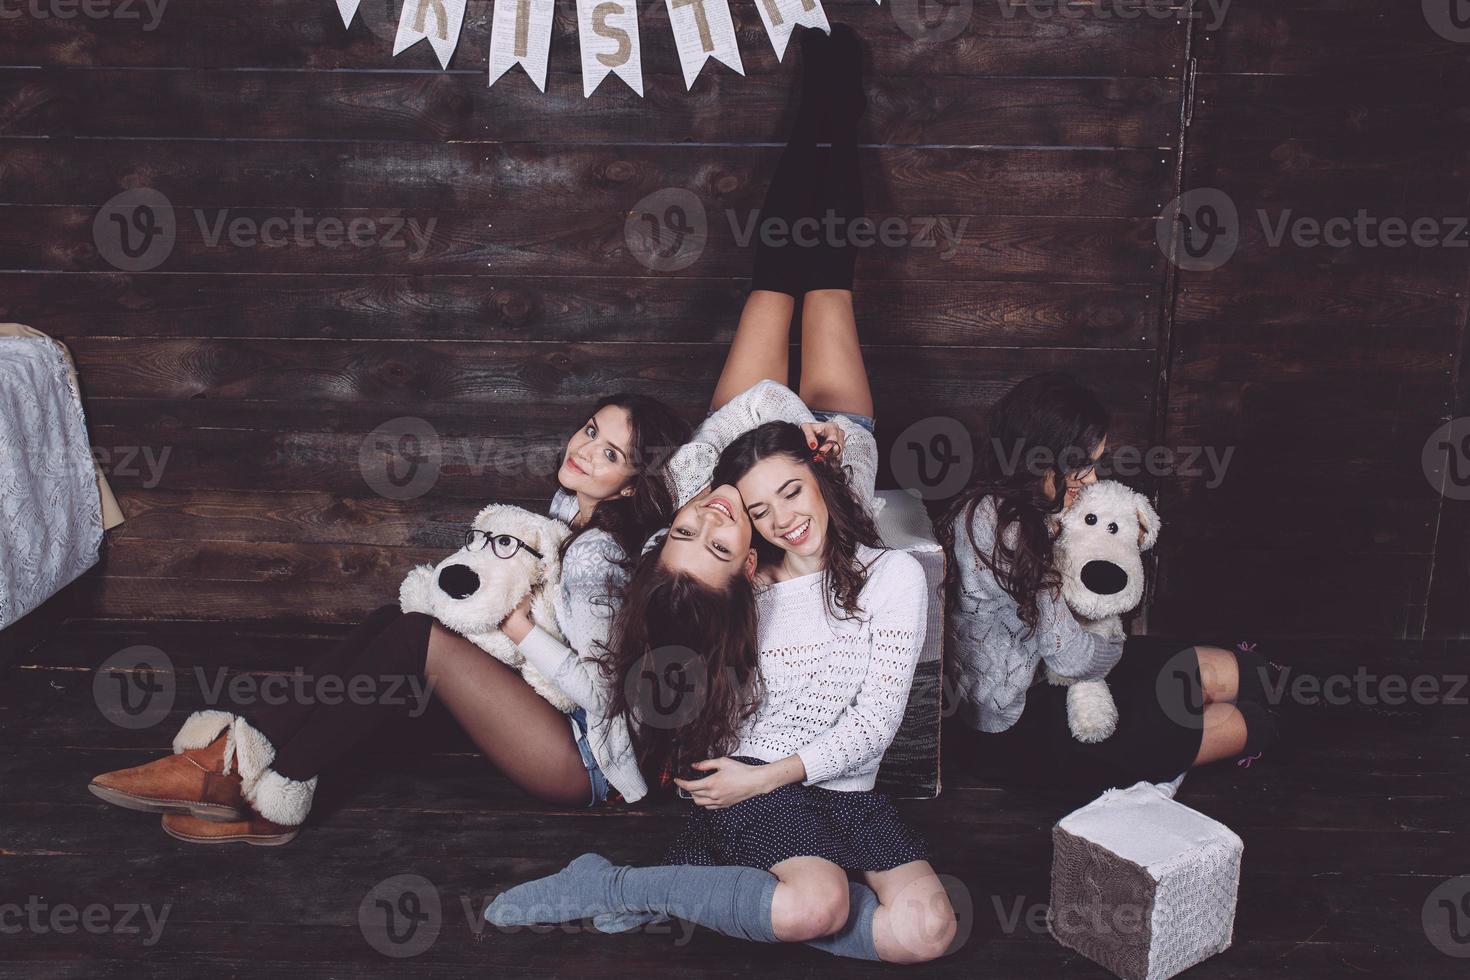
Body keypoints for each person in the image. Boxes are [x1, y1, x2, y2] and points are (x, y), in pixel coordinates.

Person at [483, 26, 958, 964]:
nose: (716, 525)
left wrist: (769, 475)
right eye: (724, 532)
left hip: (778, 447)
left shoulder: (695, 500)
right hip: (833, 461)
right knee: (824, 282)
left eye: (696, 531)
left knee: (791, 267)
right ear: (743, 559)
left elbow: (679, 532)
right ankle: (835, 96)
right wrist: (810, 470)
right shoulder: (740, 577)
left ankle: (827, 96)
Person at [86, 393, 691, 844]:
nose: (585, 450)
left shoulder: (596, 556)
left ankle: (259, 784)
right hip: (555, 726)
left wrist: (519, 629)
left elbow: (607, 694)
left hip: (585, 760)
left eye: (610, 453)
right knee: (393, 620)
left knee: (413, 637)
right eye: (590, 430)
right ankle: (235, 765)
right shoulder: (568, 515)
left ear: (630, 487)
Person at [937, 372, 1280, 809]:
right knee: (1240, 720)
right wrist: (1120, 654)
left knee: (1223, 669)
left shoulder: (1011, 504)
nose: (1093, 480)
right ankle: (1286, 721)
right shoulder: (1005, 529)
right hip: (1020, 727)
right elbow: (1073, 657)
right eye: (1083, 467)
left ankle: (1308, 690)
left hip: (1053, 669)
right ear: (1046, 461)